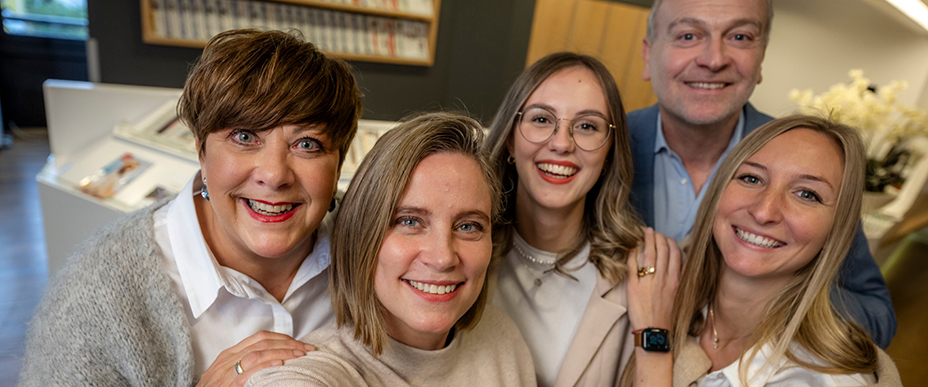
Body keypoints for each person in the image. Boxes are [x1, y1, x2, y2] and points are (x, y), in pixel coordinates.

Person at [20, 29, 362, 386]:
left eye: (307, 144)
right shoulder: (96, 294)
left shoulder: (374, 262)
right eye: (244, 137)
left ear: (338, 165)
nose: (275, 175)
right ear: (201, 151)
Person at [627, 0, 896, 347]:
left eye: (739, 36)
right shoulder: (599, 148)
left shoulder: (813, 166)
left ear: (760, 60)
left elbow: (878, 316)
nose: (713, 59)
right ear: (649, 56)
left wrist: (765, 293)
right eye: (688, 35)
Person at [246, 112, 537, 387]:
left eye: (468, 226)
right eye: (410, 221)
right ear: (361, 236)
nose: (443, 257)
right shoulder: (315, 371)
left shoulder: (502, 339)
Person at [625, 116, 902, 386]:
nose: (763, 211)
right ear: (718, 190)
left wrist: (653, 338)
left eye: (807, 194)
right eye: (752, 178)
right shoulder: (657, 294)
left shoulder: (825, 379)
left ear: (838, 230)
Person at [486, 52, 674, 387]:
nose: (561, 143)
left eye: (587, 126)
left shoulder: (646, 267)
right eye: (542, 119)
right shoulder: (462, 249)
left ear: (608, 154)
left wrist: (655, 334)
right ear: (511, 139)